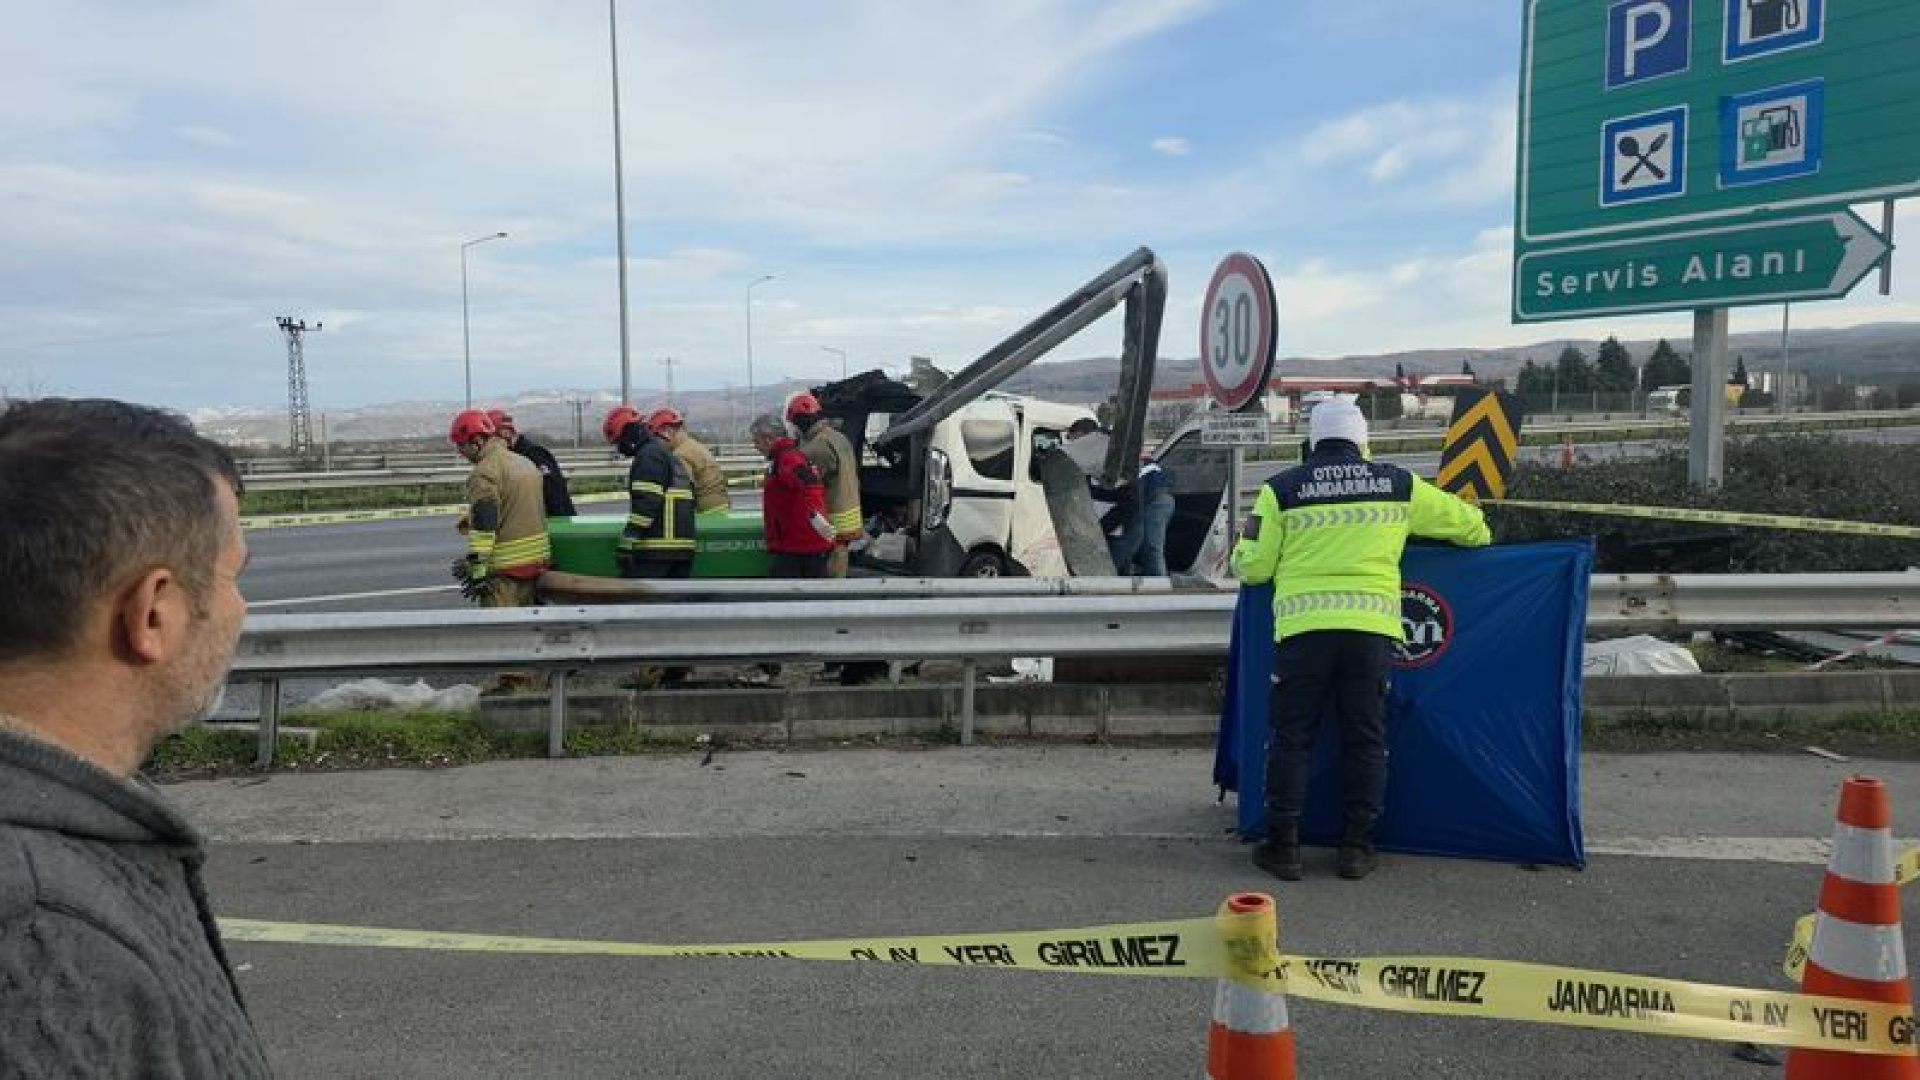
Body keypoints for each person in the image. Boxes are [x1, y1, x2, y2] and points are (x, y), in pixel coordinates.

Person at [0, 398, 274, 1077]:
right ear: (152, 612)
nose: (240, 608)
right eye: (233, 575)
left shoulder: (80, 818)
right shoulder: (42, 943)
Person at [1231, 395, 1489, 882]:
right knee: (1365, 738)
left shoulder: (1280, 489)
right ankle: (1356, 848)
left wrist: (1243, 556)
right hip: (1370, 632)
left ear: (1310, 441)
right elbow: (1473, 529)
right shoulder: (1398, 484)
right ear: (1363, 441)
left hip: (1304, 632)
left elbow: (1254, 565)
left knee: (1292, 737)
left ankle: (1283, 846)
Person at [787, 392, 884, 685]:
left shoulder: (815, 447)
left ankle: (836, 660)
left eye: (794, 423)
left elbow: (801, 482)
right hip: (847, 527)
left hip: (829, 532)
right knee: (836, 595)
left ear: (802, 421)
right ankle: (837, 660)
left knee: (829, 600)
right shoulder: (838, 438)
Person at [450, 408, 551, 607]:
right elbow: (518, 508)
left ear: (477, 441)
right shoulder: (525, 463)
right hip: (537, 565)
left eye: (461, 445)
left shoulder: (484, 473)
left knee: (502, 634)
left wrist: (477, 570)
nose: (460, 452)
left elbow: (485, 528)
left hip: (504, 573)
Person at [603, 405, 695, 579]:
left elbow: (646, 503)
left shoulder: (648, 456)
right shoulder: (666, 455)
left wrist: (627, 541)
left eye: (619, 441)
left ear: (628, 434)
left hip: (658, 549)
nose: (620, 448)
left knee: (638, 601)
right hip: (680, 548)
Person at [750, 413, 834, 578]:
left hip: (800, 546)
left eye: (756, 441)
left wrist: (813, 527)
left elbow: (811, 490)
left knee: (788, 596)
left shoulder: (788, 459)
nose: (755, 446)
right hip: (797, 542)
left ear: (768, 438)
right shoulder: (784, 457)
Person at [487, 408, 576, 518]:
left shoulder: (534, 454)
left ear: (505, 433)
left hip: (553, 523)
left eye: (491, 439)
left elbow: (554, 493)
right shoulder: (510, 456)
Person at [648, 407, 730, 517]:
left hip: (706, 511)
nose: (658, 443)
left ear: (667, 431)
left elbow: (681, 490)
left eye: (658, 437)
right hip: (719, 505)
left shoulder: (680, 454)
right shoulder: (693, 445)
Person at [1133, 452, 1176, 576]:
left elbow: (1139, 492)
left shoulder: (1143, 466)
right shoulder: (1148, 466)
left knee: (1153, 545)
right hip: (1159, 501)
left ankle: (1159, 581)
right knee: (1148, 544)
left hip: (1156, 503)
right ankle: (1152, 578)